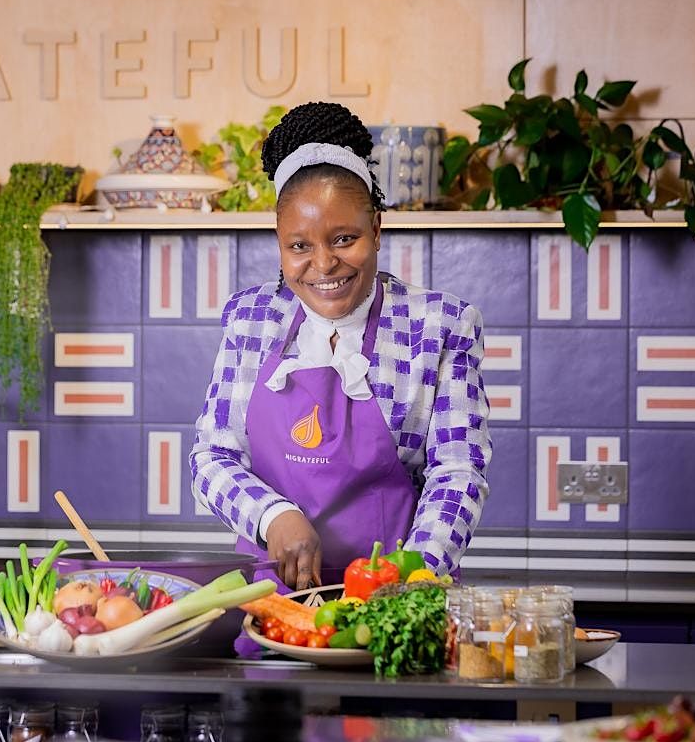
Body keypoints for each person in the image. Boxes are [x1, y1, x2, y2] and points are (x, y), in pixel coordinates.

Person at [189, 101, 492, 592]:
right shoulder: (251, 319)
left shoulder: (439, 326)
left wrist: (409, 579)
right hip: (270, 596)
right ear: (279, 242)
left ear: (376, 229)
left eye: (344, 239)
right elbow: (212, 457)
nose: (324, 264)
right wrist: (273, 516)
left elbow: (458, 471)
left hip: (398, 592)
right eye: (299, 246)